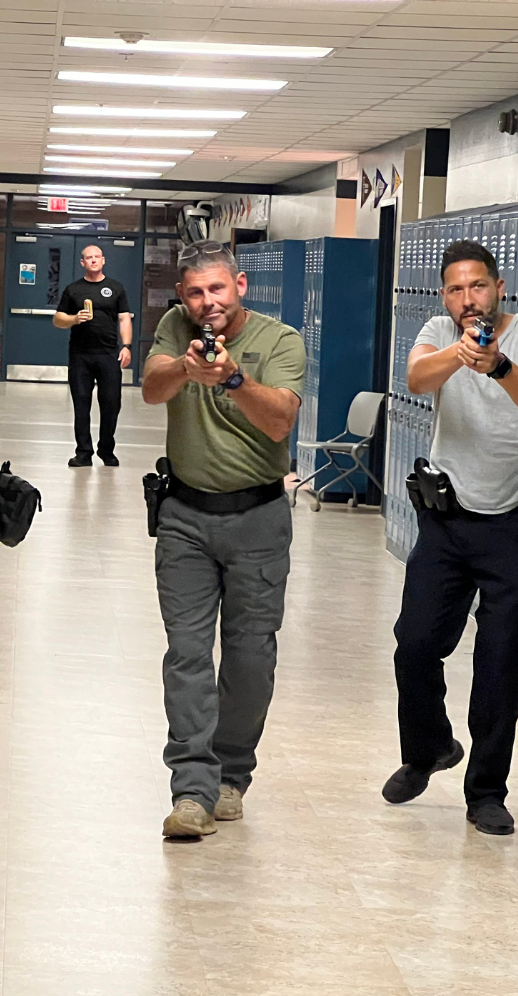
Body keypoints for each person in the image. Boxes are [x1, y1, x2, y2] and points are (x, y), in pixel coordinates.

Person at [382, 240, 518, 835]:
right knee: (414, 643)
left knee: (500, 661)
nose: (469, 299)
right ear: (444, 296)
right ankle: (428, 747)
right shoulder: (438, 330)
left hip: (516, 522)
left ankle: (486, 790)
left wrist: (501, 367)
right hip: (448, 517)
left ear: (499, 288)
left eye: (478, 287)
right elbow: (415, 377)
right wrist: (461, 357)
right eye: (457, 289)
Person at [142, 240, 305, 839]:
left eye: (216, 289)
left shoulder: (280, 340)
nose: (205, 302)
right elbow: (152, 388)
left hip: (258, 519)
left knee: (249, 655)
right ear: (181, 296)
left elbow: (279, 420)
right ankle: (191, 789)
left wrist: (232, 377)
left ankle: (233, 773)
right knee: (186, 653)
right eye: (193, 292)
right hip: (184, 515)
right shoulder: (172, 328)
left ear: (240, 285)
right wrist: (187, 367)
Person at [53, 245, 133, 467]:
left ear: (103, 260)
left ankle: (106, 450)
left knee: (111, 403)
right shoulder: (73, 290)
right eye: (89, 258)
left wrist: (126, 346)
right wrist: (74, 319)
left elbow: (124, 318)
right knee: (81, 404)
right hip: (81, 355)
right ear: (82, 263)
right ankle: (83, 452)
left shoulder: (115, 288)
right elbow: (58, 319)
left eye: (97, 257)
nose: (94, 260)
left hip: (108, 354)